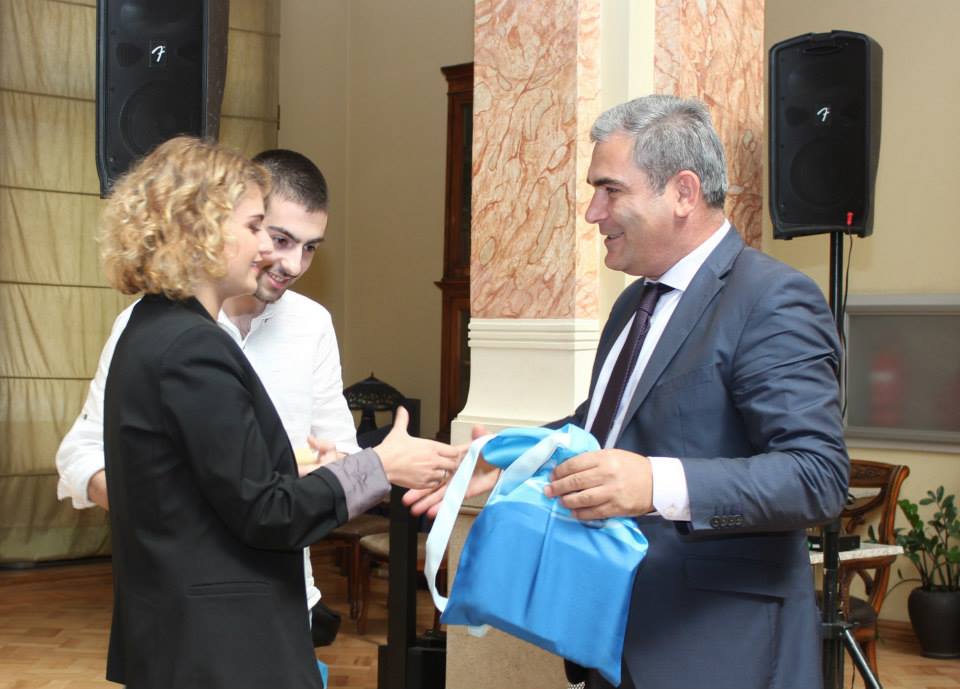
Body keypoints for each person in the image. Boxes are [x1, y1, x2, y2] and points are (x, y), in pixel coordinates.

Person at [407, 95, 849, 689]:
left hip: (718, 651)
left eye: (610, 191)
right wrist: (509, 456)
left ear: (683, 192)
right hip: (613, 639)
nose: (594, 213)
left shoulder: (771, 299)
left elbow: (817, 477)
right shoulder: (632, 303)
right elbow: (607, 424)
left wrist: (654, 484)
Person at [96, 136, 458, 689]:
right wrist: (380, 466)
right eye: (254, 227)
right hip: (220, 645)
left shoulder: (153, 325)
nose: (267, 249)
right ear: (202, 230)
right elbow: (267, 511)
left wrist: (321, 466)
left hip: (189, 635)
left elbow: (209, 484)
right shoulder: (192, 346)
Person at [56, 148, 357, 642]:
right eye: (277, 237)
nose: (291, 264)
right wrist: (192, 510)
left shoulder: (313, 324)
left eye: (310, 248)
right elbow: (80, 454)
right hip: (190, 603)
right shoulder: (152, 327)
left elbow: (340, 447)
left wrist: (331, 468)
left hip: (286, 595)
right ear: (225, 224)